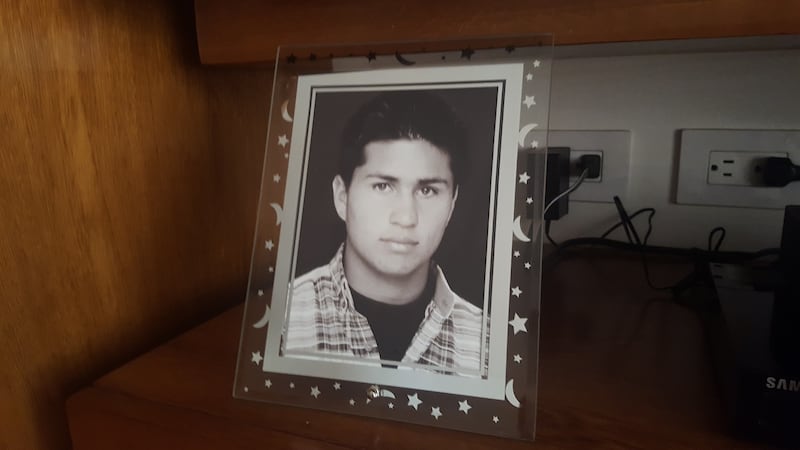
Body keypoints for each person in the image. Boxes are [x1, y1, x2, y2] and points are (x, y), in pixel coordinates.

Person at [284, 90, 487, 376]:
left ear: (452, 204)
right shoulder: (280, 322)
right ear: (342, 196)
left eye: (427, 190)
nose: (406, 217)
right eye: (383, 186)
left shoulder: (488, 347)